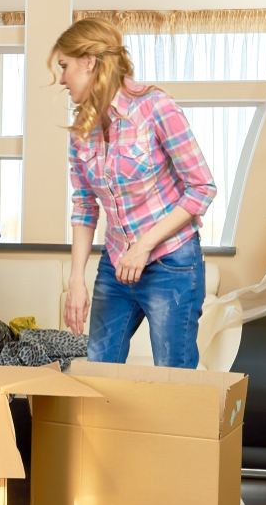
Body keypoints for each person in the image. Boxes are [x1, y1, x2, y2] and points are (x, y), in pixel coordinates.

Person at [55, 19, 217, 369]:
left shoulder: (155, 108)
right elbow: (85, 207)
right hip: (116, 264)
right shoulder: (81, 131)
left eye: (64, 66)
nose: (62, 79)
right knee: (97, 367)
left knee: (175, 377)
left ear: (89, 62)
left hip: (170, 263)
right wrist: (76, 280)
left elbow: (202, 187)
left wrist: (143, 246)